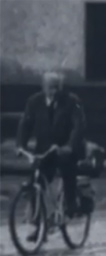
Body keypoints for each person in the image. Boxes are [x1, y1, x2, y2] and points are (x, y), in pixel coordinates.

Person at [15, 71, 87, 234]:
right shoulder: (34, 102)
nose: (53, 91)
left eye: (56, 87)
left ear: (61, 88)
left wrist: (69, 146)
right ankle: (39, 221)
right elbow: (25, 124)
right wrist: (20, 145)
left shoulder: (72, 101)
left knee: (68, 172)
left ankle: (71, 206)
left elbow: (78, 126)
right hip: (45, 148)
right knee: (37, 179)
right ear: (43, 87)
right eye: (50, 87)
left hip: (66, 148)